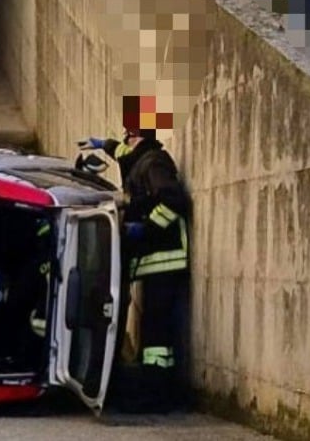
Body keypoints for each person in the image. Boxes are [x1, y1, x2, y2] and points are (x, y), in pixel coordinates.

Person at [78, 102, 193, 412]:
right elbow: (124, 155)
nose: (123, 141)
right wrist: (104, 145)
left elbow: (173, 201)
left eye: (127, 134)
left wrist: (146, 229)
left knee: (157, 331)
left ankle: (159, 392)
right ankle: (155, 387)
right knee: (152, 327)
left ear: (136, 135)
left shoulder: (153, 163)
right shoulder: (141, 159)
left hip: (165, 258)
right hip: (156, 261)